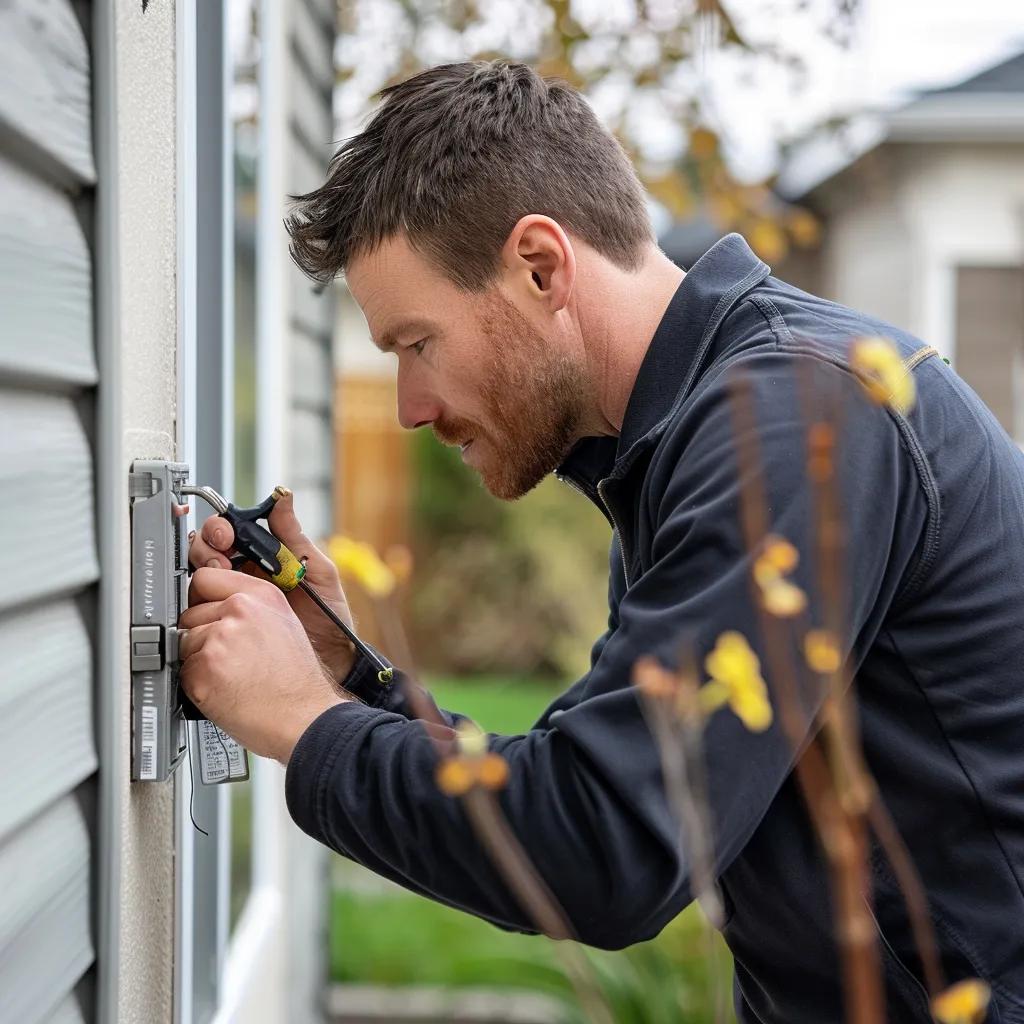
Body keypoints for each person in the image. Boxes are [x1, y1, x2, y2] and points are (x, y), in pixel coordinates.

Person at [180, 61, 1024, 1022]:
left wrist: (303, 720)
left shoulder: (800, 423)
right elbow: (578, 789)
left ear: (541, 266)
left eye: (417, 344)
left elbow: (605, 850)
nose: (410, 408)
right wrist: (348, 680)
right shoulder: (694, 441)